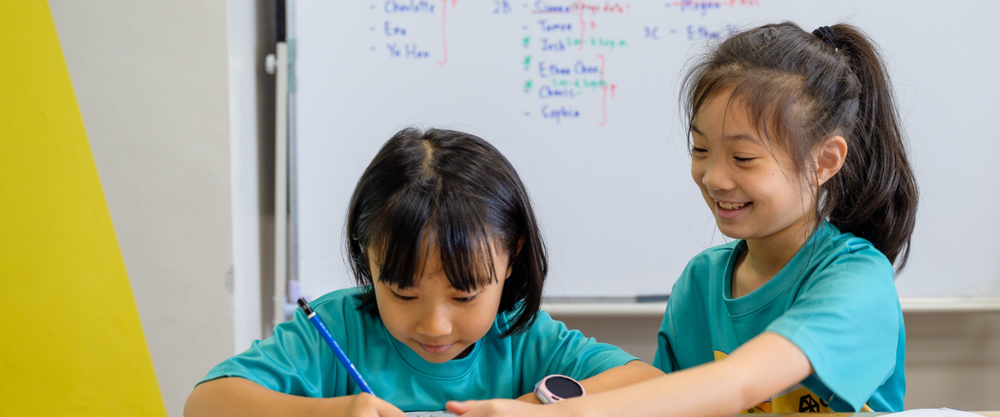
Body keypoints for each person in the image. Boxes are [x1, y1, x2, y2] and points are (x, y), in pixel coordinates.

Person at [448, 21, 918, 417]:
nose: (713, 177)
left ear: (825, 160)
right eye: (701, 149)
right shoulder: (702, 281)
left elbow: (740, 382)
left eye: (743, 157)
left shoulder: (857, 281)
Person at [184, 127, 663, 417]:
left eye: (464, 296)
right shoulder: (335, 332)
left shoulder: (522, 337)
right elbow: (206, 405)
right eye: (404, 294)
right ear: (366, 252)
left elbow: (648, 386)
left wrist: (536, 407)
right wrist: (330, 411)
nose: (434, 326)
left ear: (512, 255)